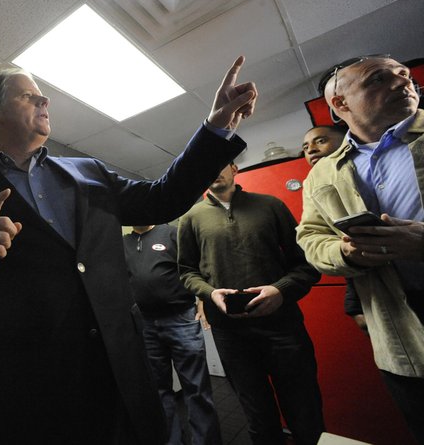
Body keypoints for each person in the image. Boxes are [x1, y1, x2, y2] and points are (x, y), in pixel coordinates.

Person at [0, 56, 257, 444]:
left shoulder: (90, 172)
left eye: (45, 97)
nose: (45, 102)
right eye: (31, 96)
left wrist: (214, 129)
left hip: (119, 367)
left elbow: (162, 199)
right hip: (35, 386)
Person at [296, 55, 424, 443]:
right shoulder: (322, 173)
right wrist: (347, 254)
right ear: (341, 104)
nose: (404, 82)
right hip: (400, 332)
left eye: (404, 74)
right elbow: (311, 238)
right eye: (378, 79)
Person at [178, 162, 325, 445]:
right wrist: (210, 293)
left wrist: (279, 290)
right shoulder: (192, 218)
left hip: (282, 327)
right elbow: (186, 271)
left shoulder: (271, 206)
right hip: (230, 333)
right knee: (257, 415)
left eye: (221, 162)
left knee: (304, 411)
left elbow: (307, 265)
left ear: (234, 168)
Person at [123, 224, 222, 445]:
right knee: (159, 392)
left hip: (181, 319)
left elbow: (196, 269)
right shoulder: (123, 243)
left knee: (196, 388)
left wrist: (202, 301)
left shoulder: (172, 233)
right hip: (145, 324)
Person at [301, 125, 368, 333]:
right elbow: (312, 235)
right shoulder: (312, 183)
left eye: (320, 140)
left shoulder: (364, 165)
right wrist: (342, 252)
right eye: (305, 147)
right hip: (359, 274)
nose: (311, 149)